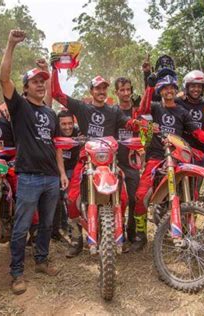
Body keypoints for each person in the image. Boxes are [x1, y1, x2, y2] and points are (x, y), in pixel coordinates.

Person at [0, 29, 68, 295]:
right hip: (27, 176)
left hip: (51, 177)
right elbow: (3, 77)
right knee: (22, 226)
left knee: (46, 225)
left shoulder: (51, 113)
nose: (40, 84)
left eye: (43, 81)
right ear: (26, 87)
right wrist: (10, 45)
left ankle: (41, 260)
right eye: (35, 82)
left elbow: (56, 146)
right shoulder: (19, 107)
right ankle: (16, 272)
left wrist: (61, 173)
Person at [50, 56, 138, 258]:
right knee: (72, 199)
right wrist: (54, 69)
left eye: (104, 88)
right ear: (91, 91)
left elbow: (128, 123)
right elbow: (56, 93)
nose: (101, 91)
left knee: (123, 197)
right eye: (97, 88)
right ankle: (77, 238)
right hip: (86, 160)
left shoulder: (114, 110)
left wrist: (139, 125)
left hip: (111, 162)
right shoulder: (82, 108)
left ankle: (119, 233)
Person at [132, 73, 204, 251]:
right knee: (141, 195)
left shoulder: (182, 111)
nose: (169, 91)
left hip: (176, 157)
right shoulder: (154, 107)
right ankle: (140, 234)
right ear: (160, 91)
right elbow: (141, 110)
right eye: (165, 88)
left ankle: (185, 230)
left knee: (187, 193)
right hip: (156, 157)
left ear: (176, 90)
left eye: (172, 88)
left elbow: (196, 131)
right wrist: (149, 87)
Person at [114, 77, 141, 243]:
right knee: (117, 200)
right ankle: (117, 231)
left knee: (133, 198)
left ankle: (131, 231)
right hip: (115, 162)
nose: (125, 93)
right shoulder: (112, 111)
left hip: (133, 163)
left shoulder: (137, 112)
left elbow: (147, 132)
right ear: (116, 92)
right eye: (122, 90)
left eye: (128, 90)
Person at [51, 110, 80, 241]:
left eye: (70, 123)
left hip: (75, 170)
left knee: (70, 198)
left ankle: (72, 231)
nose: (67, 127)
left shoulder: (79, 132)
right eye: (63, 124)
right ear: (58, 124)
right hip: (56, 171)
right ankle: (57, 230)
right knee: (56, 200)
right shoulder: (53, 133)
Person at [178, 70, 204, 167]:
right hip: (181, 150)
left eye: (199, 86)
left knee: (198, 180)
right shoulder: (178, 102)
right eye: (193, 86)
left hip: (200, 152)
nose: (196, 89)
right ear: (187, 87)